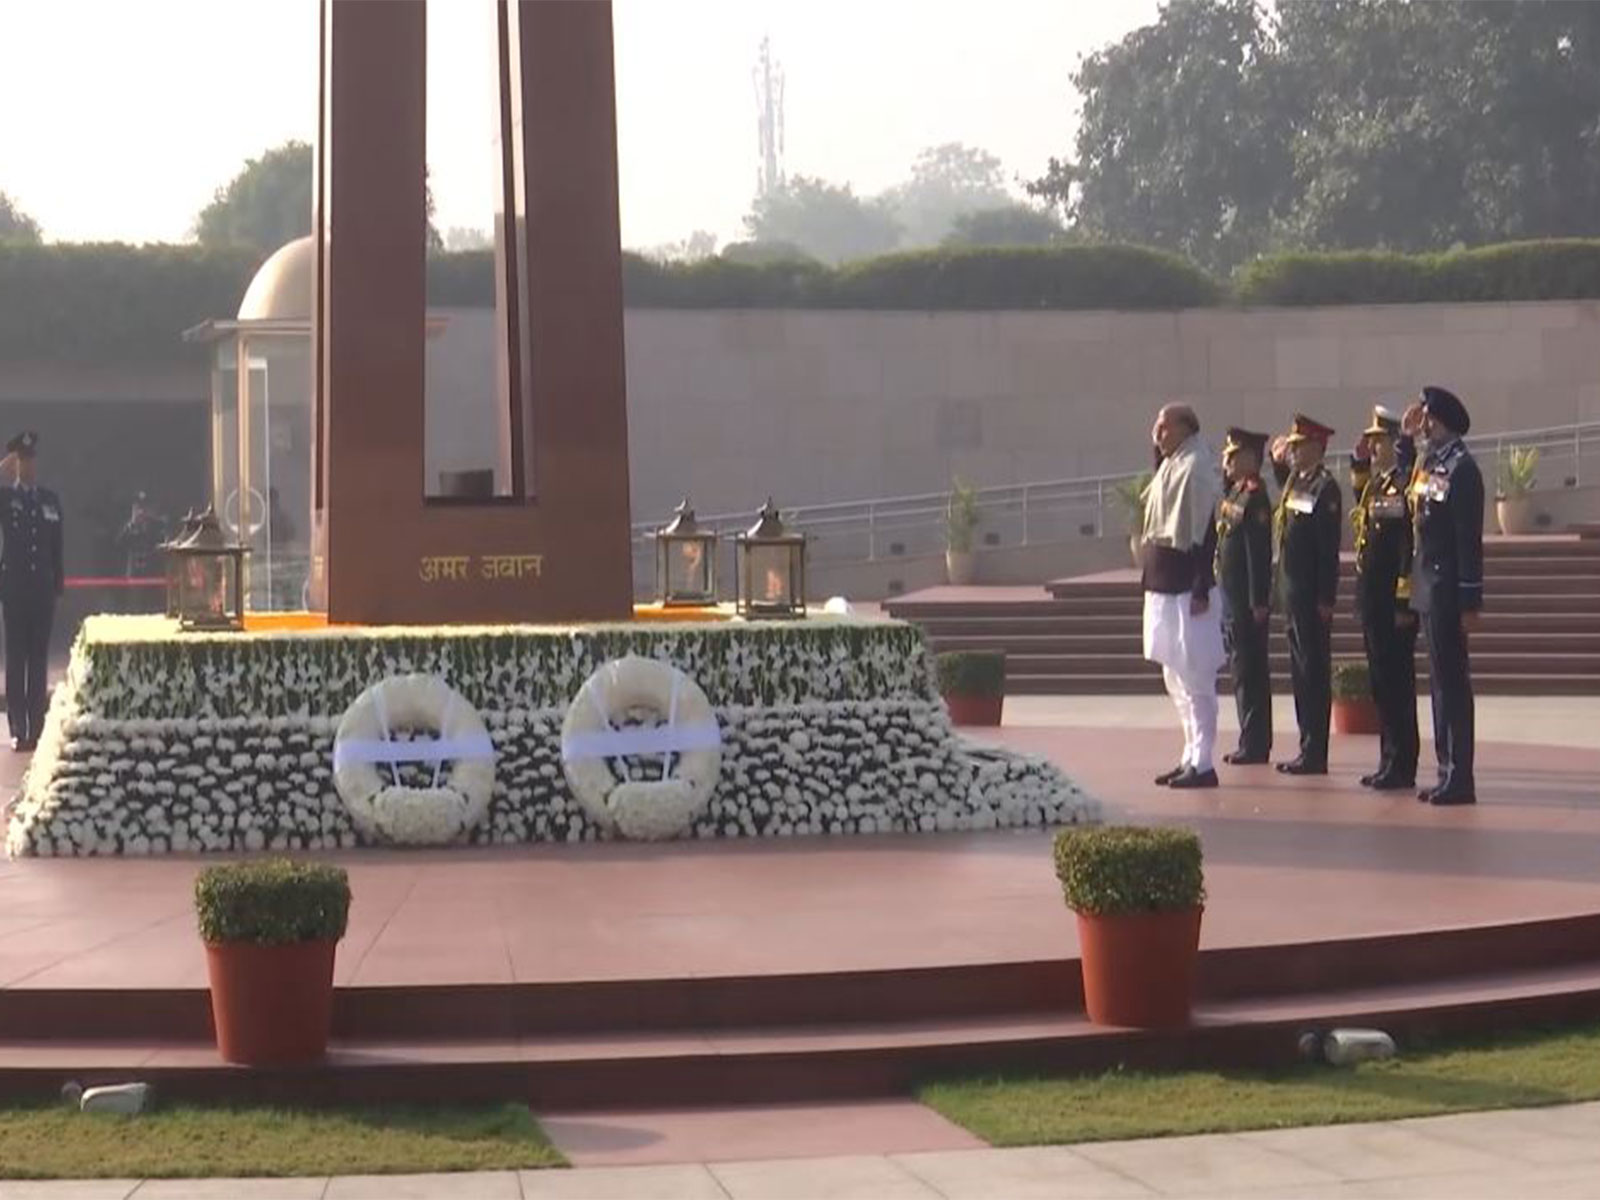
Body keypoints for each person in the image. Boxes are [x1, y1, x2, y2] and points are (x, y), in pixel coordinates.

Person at [1141, 403, 1226, 789]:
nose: (1157, 433)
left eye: (1164, 426)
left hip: (1188, 588)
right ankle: (1189, 753)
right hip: (1162, 584)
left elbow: (1205, 529)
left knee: (1197, 678)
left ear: (1185, 428)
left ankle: (1204, 762)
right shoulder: (1172, 463)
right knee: (1174, 676)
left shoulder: (1196, 466)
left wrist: (1200, 583)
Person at [1410, 385, 1484, 805]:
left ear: (1440, 421)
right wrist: (1404, 442)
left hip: (1449, 589)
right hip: (1429, 587)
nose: (1421, 424)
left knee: (1453, 683)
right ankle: (1445, 770)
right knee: (1439, 684)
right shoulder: (1433, 463)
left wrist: (1470, 600)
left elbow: (1468, 540)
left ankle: (1461, 776)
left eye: (1426, 418)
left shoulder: (1462, 469)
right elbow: (1410, 492)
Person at [1349, 405, 1419, 790]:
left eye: (1378, 442)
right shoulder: (1379, 484)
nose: (1373, 448)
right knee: (1380, 682)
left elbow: (1408, 545)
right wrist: (1358, 462)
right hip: (1373, 598)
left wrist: (1404, 600)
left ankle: (1402, 763)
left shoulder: (1405, 483)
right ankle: (1387, 758)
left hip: (1394, 602)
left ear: (1395, 442)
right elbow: (1361, 497)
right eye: (1371, 442)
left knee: (1397, 684)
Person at [1270, 415, 1342, 776]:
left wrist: (1326, 597)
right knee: (1300, 674)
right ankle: (1305, 745)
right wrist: (1276, 459)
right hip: (1293, 592)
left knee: (1313, 673)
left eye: (1299, 447)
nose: (1294, 453)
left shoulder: (1325, 488)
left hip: (1312, 595)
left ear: (1317, 447)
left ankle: (1316, 752)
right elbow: (1284, 490)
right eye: (1293, 447)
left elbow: (1327, 550)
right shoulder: (1297, 482)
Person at [0, 432, 65, 752]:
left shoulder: (49, 500)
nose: (29, 466)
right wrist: (2, 470)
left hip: (41, 590)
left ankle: (36, 727)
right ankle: (18, 727)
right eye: (23, 460)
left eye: (31, 460)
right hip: (15, 589)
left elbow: (56, 546)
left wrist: (57, 583)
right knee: (16, 659)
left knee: (38, 660)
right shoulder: (6, 499)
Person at [1215, 428, 1274, 766]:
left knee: (1250, 673)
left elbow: (1257, 554)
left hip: (1246, 603)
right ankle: (1248, 738)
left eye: (1232, 456)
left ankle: (1256, 743)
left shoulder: (1255, 496)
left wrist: (1258, 601)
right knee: (1240, 671)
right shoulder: (1236, 493)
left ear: (1250, 459)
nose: (1226, 462)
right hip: (1231, 598)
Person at [115, 492, 166, 613]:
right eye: (138, 508)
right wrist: (132, 524)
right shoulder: (129, 526)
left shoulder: (157, 526)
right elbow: (119, 543)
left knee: (153, 607)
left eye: (144, 508)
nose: (141, 512)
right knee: (135, 607)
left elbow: (163, 544)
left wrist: (152, 523)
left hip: (153, 573)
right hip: (135, 574)